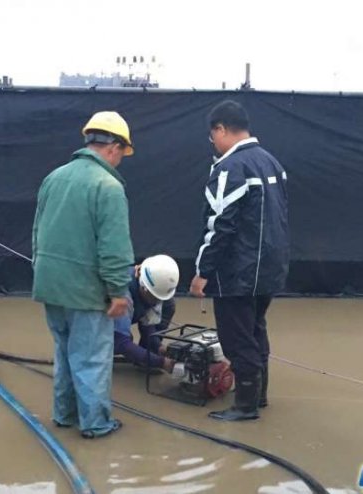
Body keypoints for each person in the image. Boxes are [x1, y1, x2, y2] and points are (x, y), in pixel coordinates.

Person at [32, 111, 135, 438]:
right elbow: (114, 247)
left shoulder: (54, 177)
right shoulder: (108, 186)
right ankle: (96, 424)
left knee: (64, 352)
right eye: (122, 153)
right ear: (113, 147)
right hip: (86, 290)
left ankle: (64, 415)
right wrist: (118, 290)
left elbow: (37, 232)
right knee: (91, 359)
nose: (120, 160)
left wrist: (41, 270)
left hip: (50, 284)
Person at [190, 100, 289, 421]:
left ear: (221, 129)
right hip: (269, 268)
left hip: (238, 273)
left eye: (212, 136)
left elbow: (220, 224)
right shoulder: (271, 162)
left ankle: (245, 406)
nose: (213, 144)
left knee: (236, 337)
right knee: (255, 329)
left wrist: (203, 271)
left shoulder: (230, 168)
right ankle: (258, 396)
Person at [114, 255, 179, 373]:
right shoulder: (122, 295)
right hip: (89, 324)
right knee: (122, 340)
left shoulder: (150, 288)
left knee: (168, 305)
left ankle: (147, 355)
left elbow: (148, 325)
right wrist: (161, 363)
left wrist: (159, 347)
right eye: (155, 297)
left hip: (134, 304)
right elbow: (121, 343)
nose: (158, 301)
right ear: (144, 287)